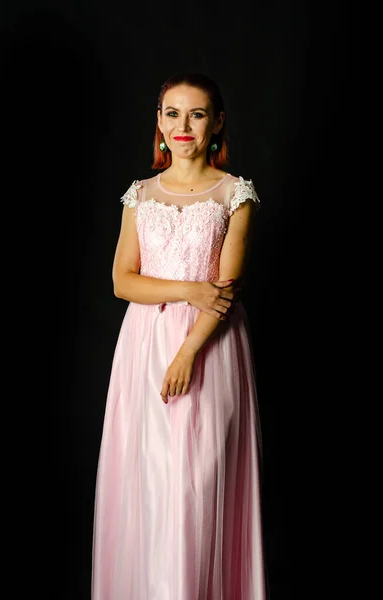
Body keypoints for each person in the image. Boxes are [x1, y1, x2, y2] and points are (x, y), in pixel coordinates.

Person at [91, 71, 267, 600]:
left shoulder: (236, 192)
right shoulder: (139, 195)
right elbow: (123, 281)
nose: (183, 125)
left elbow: (225, 289)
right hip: (143, 348)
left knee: (197, 484)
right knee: (149, 480)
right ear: (159, 124)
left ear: (216, 123)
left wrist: (188, 351)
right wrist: (190, 289)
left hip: (210, 347)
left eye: (196, 113)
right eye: (172, 113)